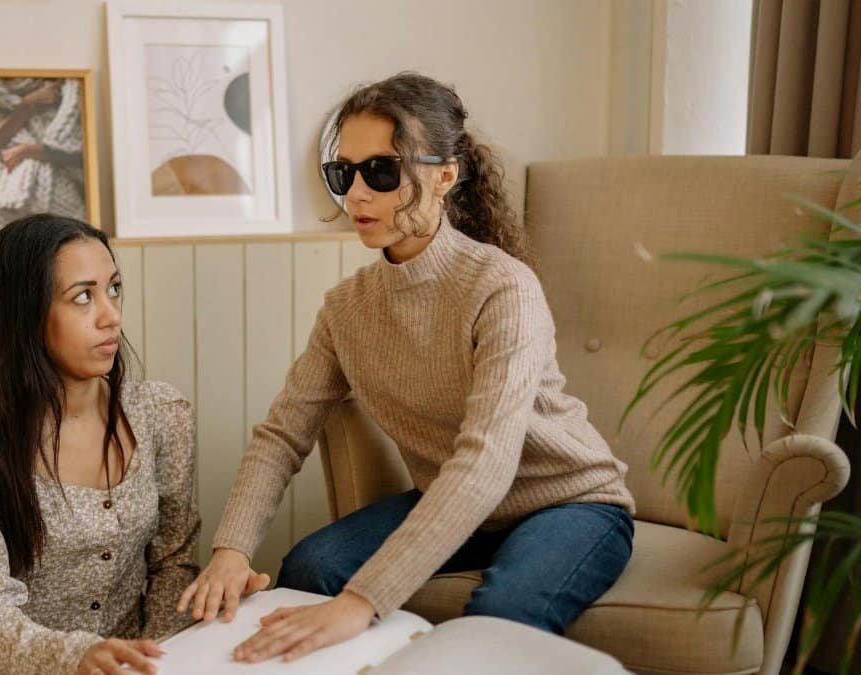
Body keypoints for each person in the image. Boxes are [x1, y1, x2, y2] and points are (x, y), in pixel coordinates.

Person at [178, 72, 636, 664]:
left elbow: (486, 462)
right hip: (454, 502)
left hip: (569, 504)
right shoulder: (347, 308)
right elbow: (282, 435)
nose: (356, 195)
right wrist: (231, 551)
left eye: (381, 171)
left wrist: (362, 600)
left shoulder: (503, 287)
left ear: (445, 176)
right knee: (310, 567)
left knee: (500, 616)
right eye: (344, 173)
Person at [0, 214, 266, 674]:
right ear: (25, 314)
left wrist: (164, 649)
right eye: (83, 296)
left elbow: (173, 565)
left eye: (114, 288)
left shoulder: (160, 415)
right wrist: (75, 657)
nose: (111, 316)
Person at [0, 78, 87, 233]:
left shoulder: (70, 89)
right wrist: (29, 104)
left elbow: (81, 154)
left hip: (62, 181)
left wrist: (30, 151)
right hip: (2, 178)